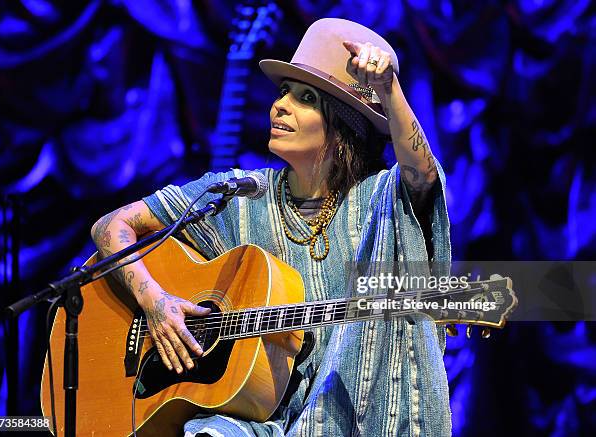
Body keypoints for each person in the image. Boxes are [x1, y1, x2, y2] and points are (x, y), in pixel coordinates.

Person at [91, 18, 451, 436]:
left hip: (351, 416)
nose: (279, 106)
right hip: (264, 422)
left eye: (305, 98)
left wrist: (389, 91)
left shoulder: (382, 201)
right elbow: (111, 226)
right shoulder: (240, 196)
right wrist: (154, 301)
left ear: (343, 128)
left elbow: (423, 175)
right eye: (283, 92)